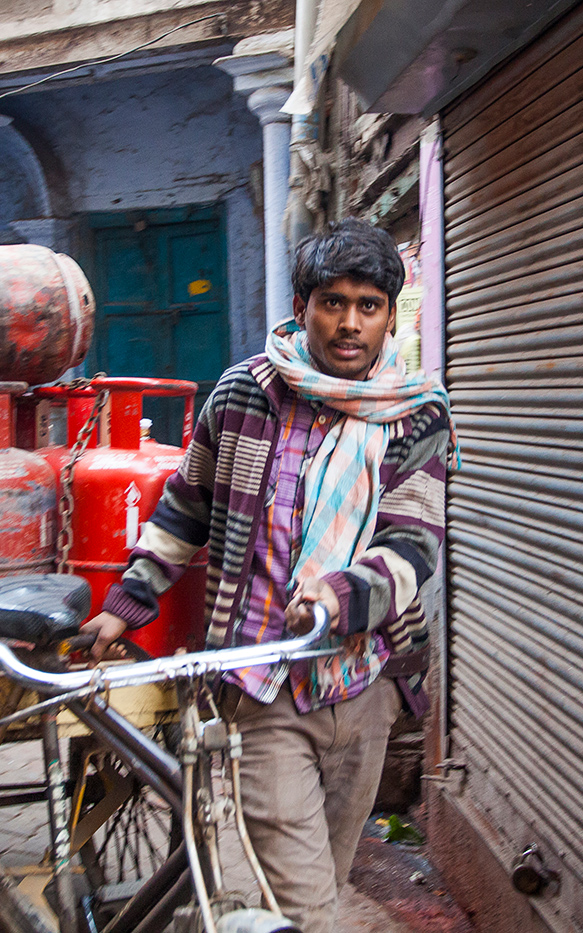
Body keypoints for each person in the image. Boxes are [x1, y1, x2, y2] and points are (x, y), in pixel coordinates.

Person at [81, 219, 455, 933]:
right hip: (262, 684)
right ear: (301, 304)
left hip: (363, 685)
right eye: (333, 302)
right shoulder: (243, 395)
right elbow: (185, 506)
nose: (349, 323)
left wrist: (341, 597)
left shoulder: (415, 414)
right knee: (309, 909)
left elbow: (414, 545)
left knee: (326, 876)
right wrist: (127, 601)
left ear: (390, 315)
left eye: (368, 305)